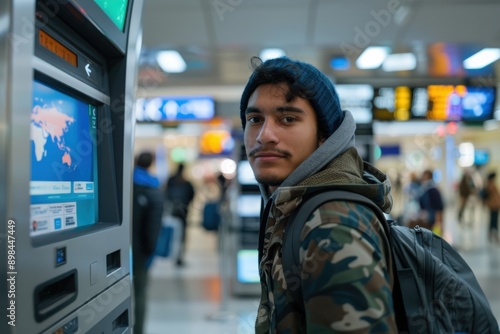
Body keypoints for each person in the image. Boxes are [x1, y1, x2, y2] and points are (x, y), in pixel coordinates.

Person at [240, 56, 396, 333]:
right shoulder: (296, 208)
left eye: (287, 119)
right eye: (255, 119)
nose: (265, 135)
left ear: (324, 135)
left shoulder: (332, 224)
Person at [132, 151, 164, 334]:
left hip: (117, 251)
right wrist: (150, 252)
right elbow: (153, 228)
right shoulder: (153, 189)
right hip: (140, 253)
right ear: (151, 163)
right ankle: (138, 330)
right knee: (140, 293)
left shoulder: (124, 185)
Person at [165, 163, 195, 266]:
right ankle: (179, 257)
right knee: (181, 235)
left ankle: (170, 254)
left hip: (172, 211)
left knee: (172, 233)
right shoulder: (186, 182)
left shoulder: (171, 180)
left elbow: (166, 194)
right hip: (183, 212)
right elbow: (192, 196)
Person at [418, 169, 444, 234]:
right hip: (427, 218)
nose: (422, 177)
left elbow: (438, 206)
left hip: (432, 218)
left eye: (424, 175)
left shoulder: (432, 189)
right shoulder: (424, 188)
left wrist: (438, 221)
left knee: (434, 236)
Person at [484, 172, 500, 243]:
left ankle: (492, 235)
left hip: (495, 205)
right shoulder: (490, 186)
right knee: (493, 221)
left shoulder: (491, 185)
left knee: (494, 220)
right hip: (493, 205)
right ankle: (493, 235)